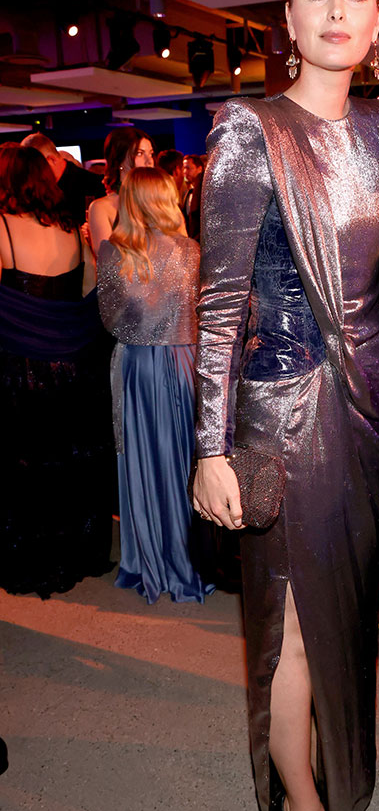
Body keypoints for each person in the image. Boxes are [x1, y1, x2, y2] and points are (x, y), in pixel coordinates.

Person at [192, 0, 379, 811]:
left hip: (365, 412)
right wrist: (209, 447)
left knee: (350, 609)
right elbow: (220, 302)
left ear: (378, 20)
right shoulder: (247, 129)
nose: (335, 10)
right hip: (278, 413)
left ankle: (325, 774)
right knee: (295, 628)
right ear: (286, 20)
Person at [0, 144, 113, 597]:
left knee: (24, 461)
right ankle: (75, 550)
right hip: (71, 366)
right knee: (67, 459)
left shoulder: (3, 228)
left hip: (20, 366)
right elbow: (86, 294)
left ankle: (31, 555)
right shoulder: (70, 229)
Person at [97, 167, 213, 605]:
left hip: (139, 368)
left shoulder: (114, 252)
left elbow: (108, 319)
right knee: (186, 461)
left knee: (146, 463)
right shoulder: (191, 250)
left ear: (129, 200)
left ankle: (149, 561)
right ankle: (190, 561)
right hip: (186, 363)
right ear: (164, 198)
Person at [88, 128, 155, 252]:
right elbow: (106, 261)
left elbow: (181, 245)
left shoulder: (161, 200)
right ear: (120, 159)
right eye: (139, 153)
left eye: (151, 153)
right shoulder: (101, 208)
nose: (149, 161)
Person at [21, 132, 104, 229]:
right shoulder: (36, 192)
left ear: (52, 160)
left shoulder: (93, 184)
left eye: (35, 168)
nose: (32, 175)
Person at [182, 154, 204, 240]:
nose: (185, 171)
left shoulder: (203, 192)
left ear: (199, 169)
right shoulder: (188, 193)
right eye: (183, 168)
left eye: (188, 168)